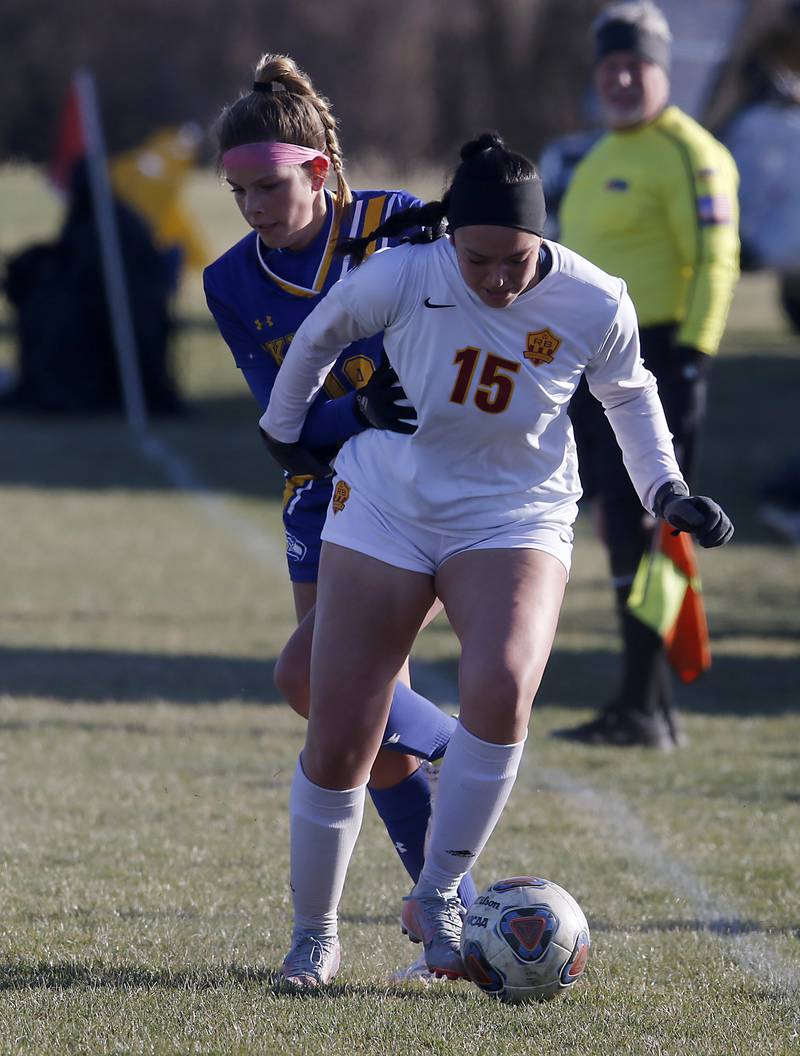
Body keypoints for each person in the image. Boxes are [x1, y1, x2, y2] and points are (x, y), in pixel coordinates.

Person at [260, 132, 734, 988]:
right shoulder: (406, 274)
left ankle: (440, 894)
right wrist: (286, 432)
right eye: (478, 259)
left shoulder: (594, 299)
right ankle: (313, 934)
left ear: (540, 241)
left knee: (505, 684)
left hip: (513, 515)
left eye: (514, 260)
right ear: (450, 239)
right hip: (386, 508)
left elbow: (630, 395)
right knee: (339, 733)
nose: (497, 279)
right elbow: (318, 335)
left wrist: (666, 491)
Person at [201, 53, 477, 979]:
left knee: (319, 680)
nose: (251, 207)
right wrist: (352, 413)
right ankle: (455, 911)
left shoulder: (395, 224)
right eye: (236, 191)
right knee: (332, 704)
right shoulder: (230, 281)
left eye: (268, 186)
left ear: (318, 169)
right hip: (323, 483)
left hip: (423, 483)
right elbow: (281, 417)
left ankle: (474, 766)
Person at [555, 0, 740, 749]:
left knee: (658, 532)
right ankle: (642, 703)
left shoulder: (692, 152)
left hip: (659, 362)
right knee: (617, 533)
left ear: (662, 71)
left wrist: (693, 355)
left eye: (636, 67)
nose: (623, 80)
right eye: (611, 68)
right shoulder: (597, 156)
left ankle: (649, 705)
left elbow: (717, 260)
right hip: (591, 368)